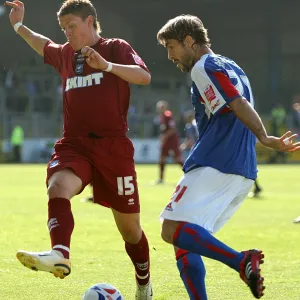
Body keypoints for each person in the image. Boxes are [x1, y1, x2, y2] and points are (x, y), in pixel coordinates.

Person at [5, 1, 152, 298]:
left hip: (113, 147)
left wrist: (107, 66)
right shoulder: (65, 55)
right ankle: (60, 252)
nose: (67, 33)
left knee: (130, 231)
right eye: (63, 28)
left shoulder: (115, 48)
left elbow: (144, 76)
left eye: (72, 26)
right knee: (57, 186)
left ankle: (143, 282)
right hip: (75, 144)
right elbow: (42, 43)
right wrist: (19, 27)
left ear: (90, 21)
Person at [156, 14, 300, 299]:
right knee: (186, 236)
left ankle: (240, 261)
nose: (170, 55)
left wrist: (265, 137)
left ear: (189, 41)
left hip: (217, 160)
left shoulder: (203, 66)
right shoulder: (231, 65)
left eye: (172, 46)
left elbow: (236, 102)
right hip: (242, 168)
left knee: (170, 227)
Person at [155, 100, 184, 184]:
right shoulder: (161, 117)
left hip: (172, 140)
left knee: (177, 158)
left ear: (165, 107)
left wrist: (164, 136)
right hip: (166, 141)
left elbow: (173, 129)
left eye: (162, 107)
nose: (160, 109)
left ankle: (188, 172)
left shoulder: (168, 115)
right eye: (159, 107)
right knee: (162, 158)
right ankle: (161, 179)